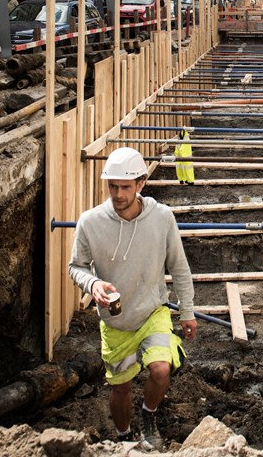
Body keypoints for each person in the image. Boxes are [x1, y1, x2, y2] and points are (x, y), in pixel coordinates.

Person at [69, 147, 196, 452]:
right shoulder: (90, 222)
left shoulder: (162, 218)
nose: (118, 194)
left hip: (153, 311)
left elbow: (179, 266)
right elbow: (76, 267)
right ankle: (125, 436)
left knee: (161, 369)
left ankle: (148, 416)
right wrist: (93, 283)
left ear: (141, 183)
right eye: (112, 186)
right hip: (115, 320)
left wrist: (187, 312)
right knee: (120, 386)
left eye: (125, 187)